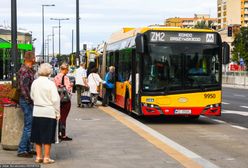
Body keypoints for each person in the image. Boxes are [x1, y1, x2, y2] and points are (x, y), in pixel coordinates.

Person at [30, 63, 60, 164]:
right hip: (48, 112)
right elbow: (55, 100)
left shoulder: (35, 82)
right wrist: (57, 112)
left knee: (37, 135)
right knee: (47, 136)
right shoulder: (50, 83)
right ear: (49, 72)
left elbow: (32, 96)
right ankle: (46, 157)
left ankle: (38, 157)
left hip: (37, 111)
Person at [17, 51, 36, 158]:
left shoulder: (28, 70)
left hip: (27, 100)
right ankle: (22, 149)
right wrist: (30, 100)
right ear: (31, 58)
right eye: (34, 57)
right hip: (26, 101)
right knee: (29, 125)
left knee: (30, 125)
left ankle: (28, 148)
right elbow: (24, 88)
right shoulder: (25, 71)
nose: (35, 59)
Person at [54, 63, 73, 141]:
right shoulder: (65, 78)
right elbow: (68, 89)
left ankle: (57, 134)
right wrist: (71, 85)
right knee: (63, 118)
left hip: (58, 99)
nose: (68, 71)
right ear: (64, 69)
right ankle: (63, 135)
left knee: (58, 117)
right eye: (67, 69)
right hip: (65, 100)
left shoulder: (55, 77)